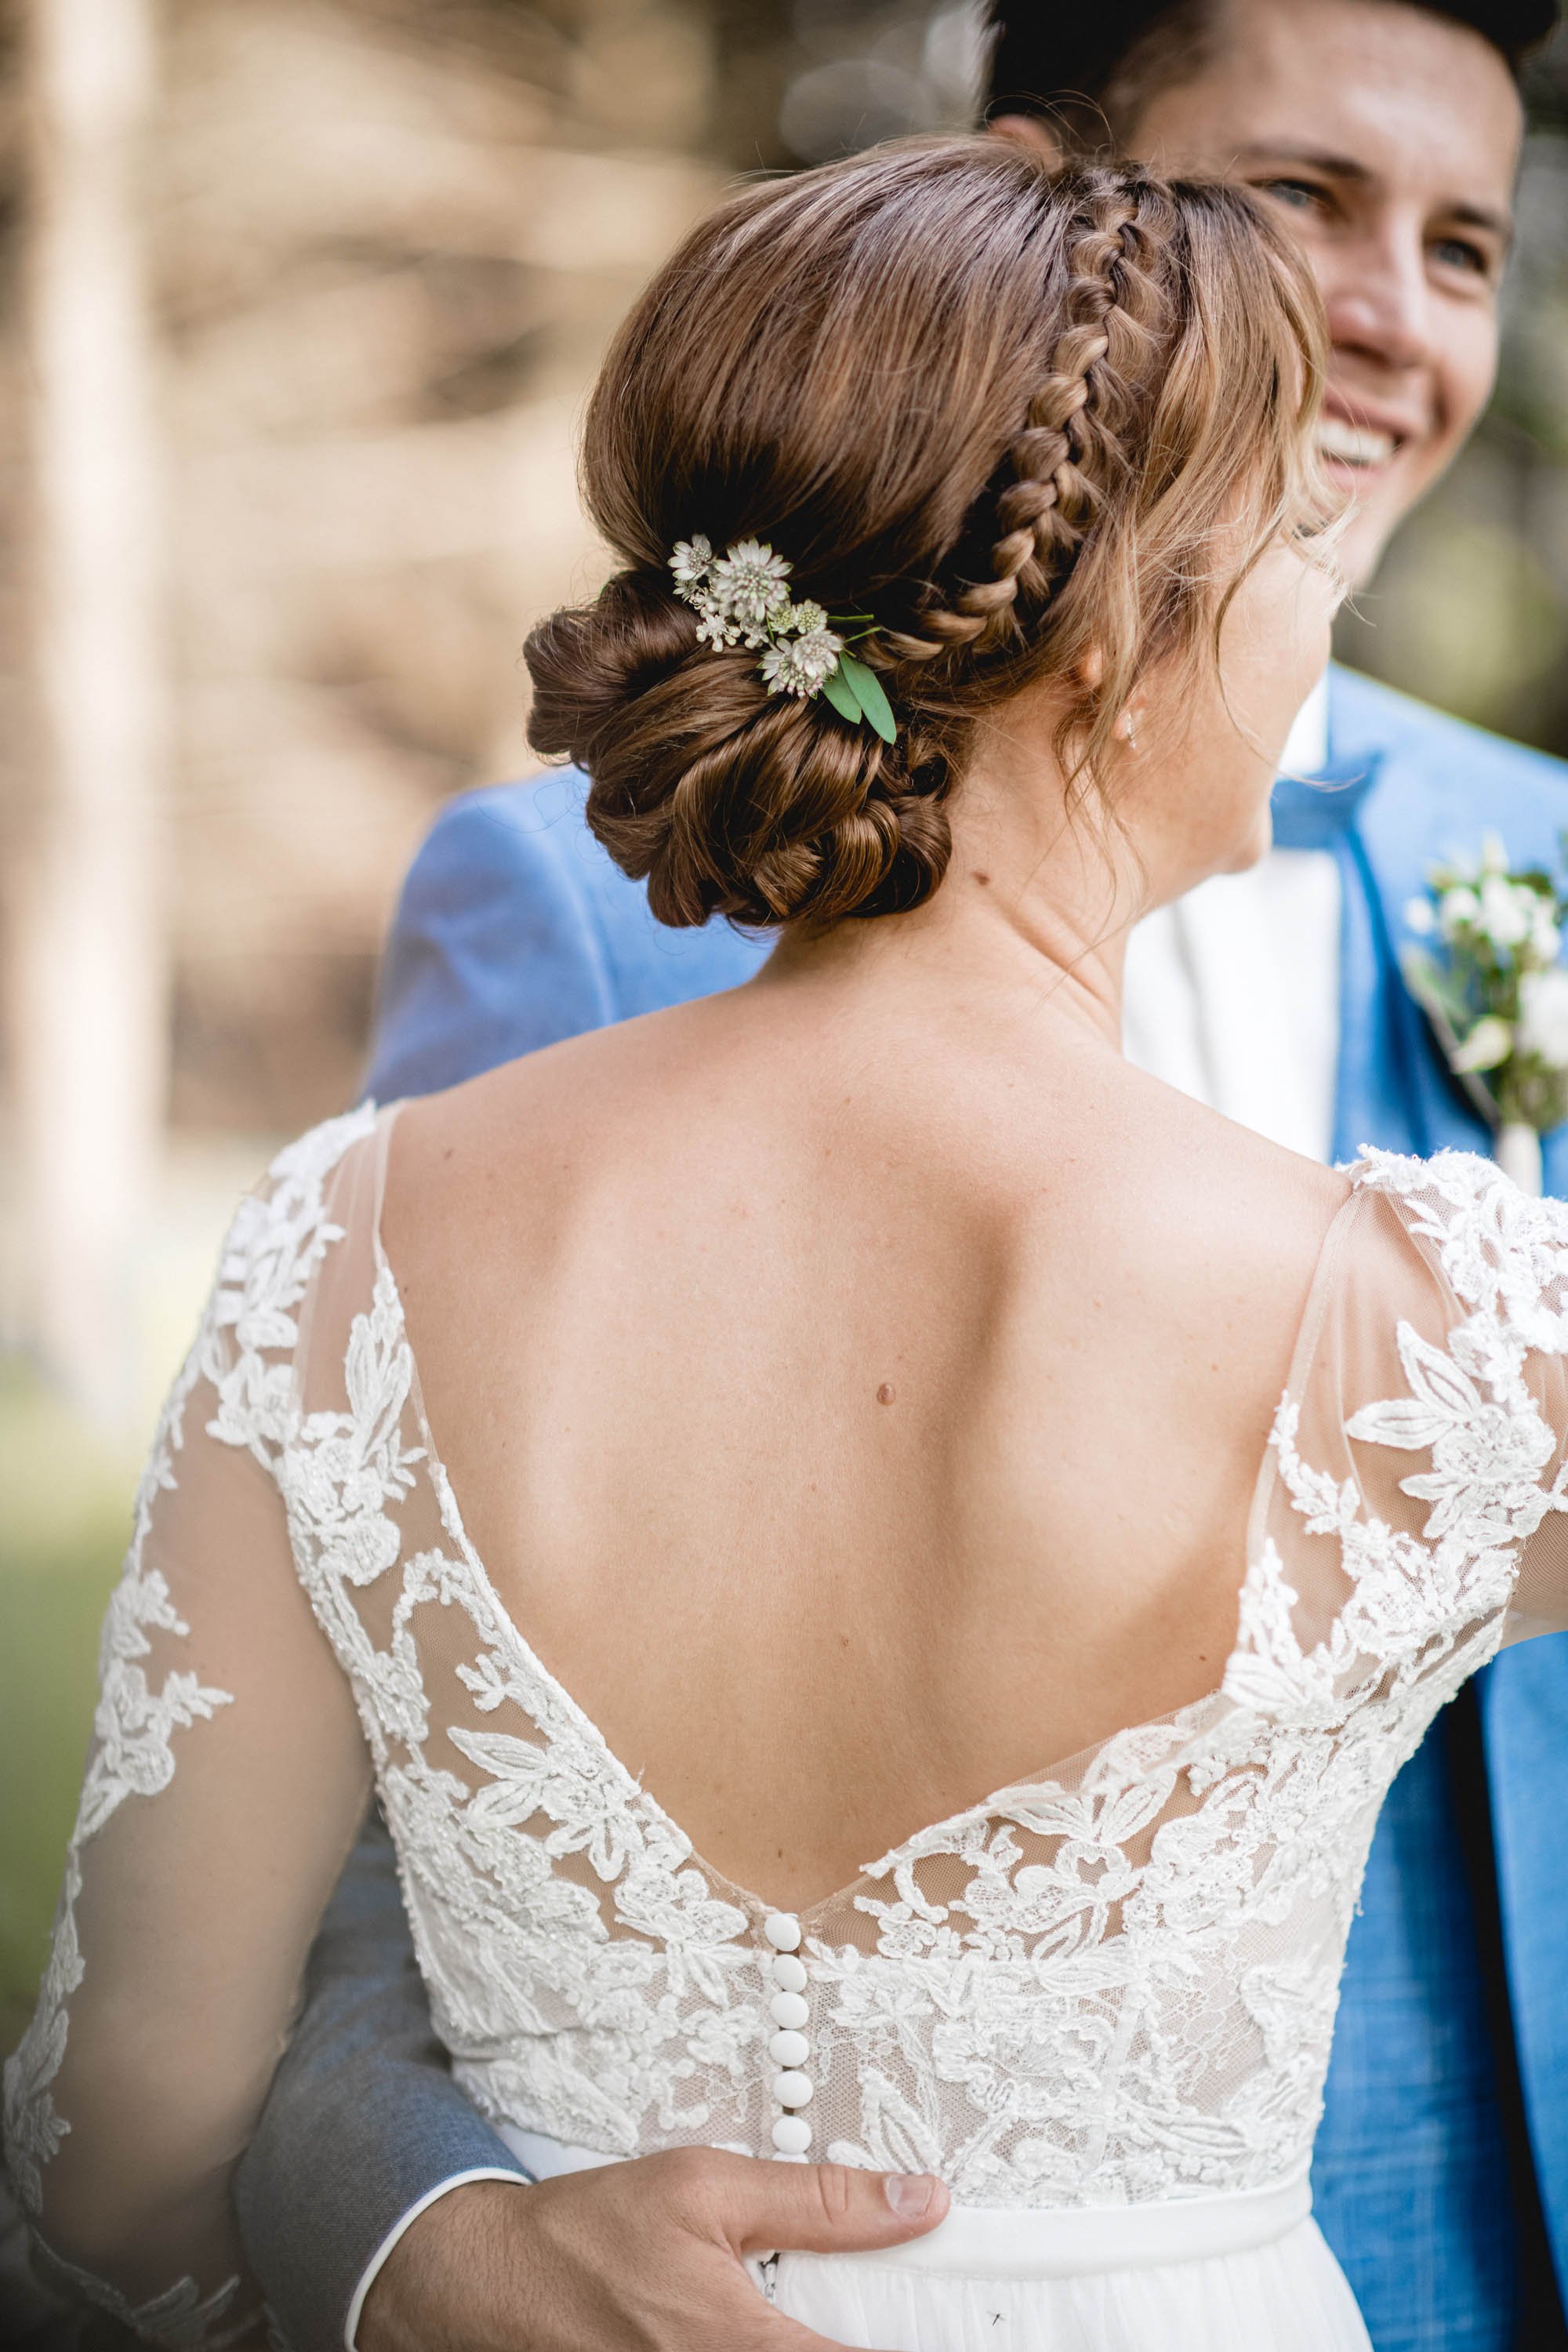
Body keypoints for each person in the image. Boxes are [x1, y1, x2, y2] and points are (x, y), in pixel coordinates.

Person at [12, 129, 1568, 2352]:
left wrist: (400, 2276)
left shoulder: (334, 1254)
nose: (1337, 612)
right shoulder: (1432, 1336)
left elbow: (120, 2149)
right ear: (1120, 638)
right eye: (1301, 538)